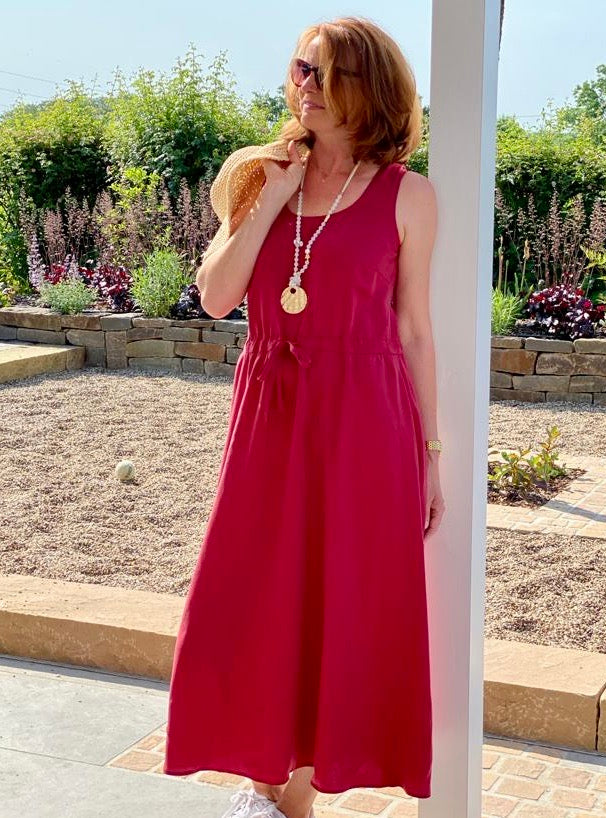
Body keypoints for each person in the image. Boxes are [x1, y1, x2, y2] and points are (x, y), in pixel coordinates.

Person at [163, 15, 445, 818]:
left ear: (370, 88)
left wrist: (431, 453)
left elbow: (413, 329)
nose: (305, 86)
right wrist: (275, 197)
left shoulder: (408, 195)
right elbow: (217, 297)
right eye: (300, 69)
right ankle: (267, 791)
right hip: (271, 413)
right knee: (255, 594)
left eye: (325, 72)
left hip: (365, 420)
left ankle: (287, 801)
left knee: (342, 599)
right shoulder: (258, 175)